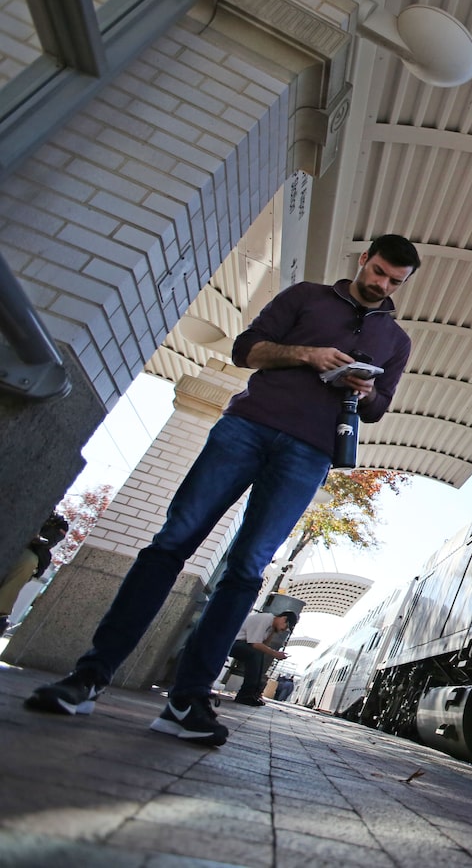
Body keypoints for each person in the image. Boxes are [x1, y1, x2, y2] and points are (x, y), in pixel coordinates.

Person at [25, 234, 420, 746]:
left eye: (394, 282)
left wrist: (365, 389)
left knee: (247, 570)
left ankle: (187, 701)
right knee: (172, 543)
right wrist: (307, 355)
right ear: (363, 259)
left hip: (310, 453)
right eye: (379, 272)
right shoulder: (305, 297)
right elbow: (246, 350)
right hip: (246, 428)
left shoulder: (398, 341)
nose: (382, 285)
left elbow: (378, 407)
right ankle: (90, 676)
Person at [0, 513, 69, 637]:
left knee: (28, 561)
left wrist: (38, 536)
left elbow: (51, 539)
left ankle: (1, 612)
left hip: (28, 549)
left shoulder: (58, 522)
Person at [227, 609, 296, 706]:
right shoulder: (266, 618)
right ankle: (245, 694)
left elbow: (263, 646)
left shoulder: (270, 626)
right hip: (230, 642)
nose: (283, 630)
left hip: (239, 644)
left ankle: (253, 693)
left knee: (259, 654)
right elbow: (255, 644)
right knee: (254, 654)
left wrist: (273, 632)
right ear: (284, 618)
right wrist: (275, 653)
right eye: (285, 627)